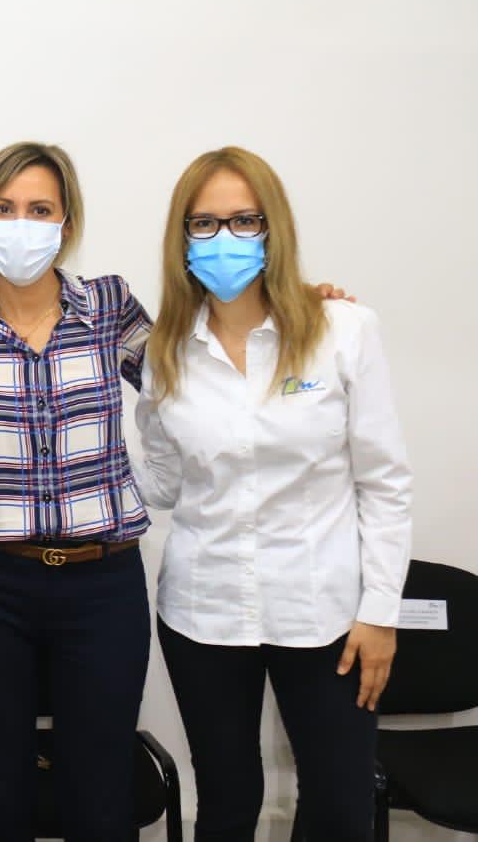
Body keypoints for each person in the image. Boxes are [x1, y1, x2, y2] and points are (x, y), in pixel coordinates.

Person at [135, 146, 412, 841]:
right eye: (204, 223)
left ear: (273, 227)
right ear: (181, 237)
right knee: (227, 802)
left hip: (326, 614)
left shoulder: (343, 330)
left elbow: (384, 482)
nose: (224, 238)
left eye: (244, 220)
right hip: (203, 611)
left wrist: (381, 612)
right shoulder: (165, 352)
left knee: (340, 805)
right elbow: (162, 483)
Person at [0, 141, 153, 841]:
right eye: (4, 208)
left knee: (102, 796)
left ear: (67, 223)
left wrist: (299, 312)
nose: (20, 224)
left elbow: (199, 376)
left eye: (39, 209)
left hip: (103, 583)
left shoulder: (109, 306)